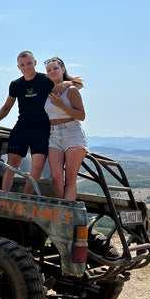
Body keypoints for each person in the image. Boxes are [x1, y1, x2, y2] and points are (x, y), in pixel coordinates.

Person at [0, 51, 82, 194]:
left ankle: (25, 198)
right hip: (22, 127)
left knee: (37, 166)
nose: (26, 67)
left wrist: (68, 82)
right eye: (22, 65)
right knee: (12, 163)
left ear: (35, 63)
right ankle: (4, 196)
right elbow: (7, 107)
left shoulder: (46, 80)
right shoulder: (15, 84)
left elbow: (76, 86)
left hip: (42, 129)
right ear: (18, 67)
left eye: (29, 63)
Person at [44, 56, 88, 200]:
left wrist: (62, 105)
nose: (52, 72)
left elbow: (81, 116)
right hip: (54, 136)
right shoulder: (47, 90)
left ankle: (67, 217)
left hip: (72, 134)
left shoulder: (71, 90)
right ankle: (59, 213)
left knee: (70, 180)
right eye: (49, 70)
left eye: (55, 68)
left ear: (63, 69)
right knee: (56, 178)